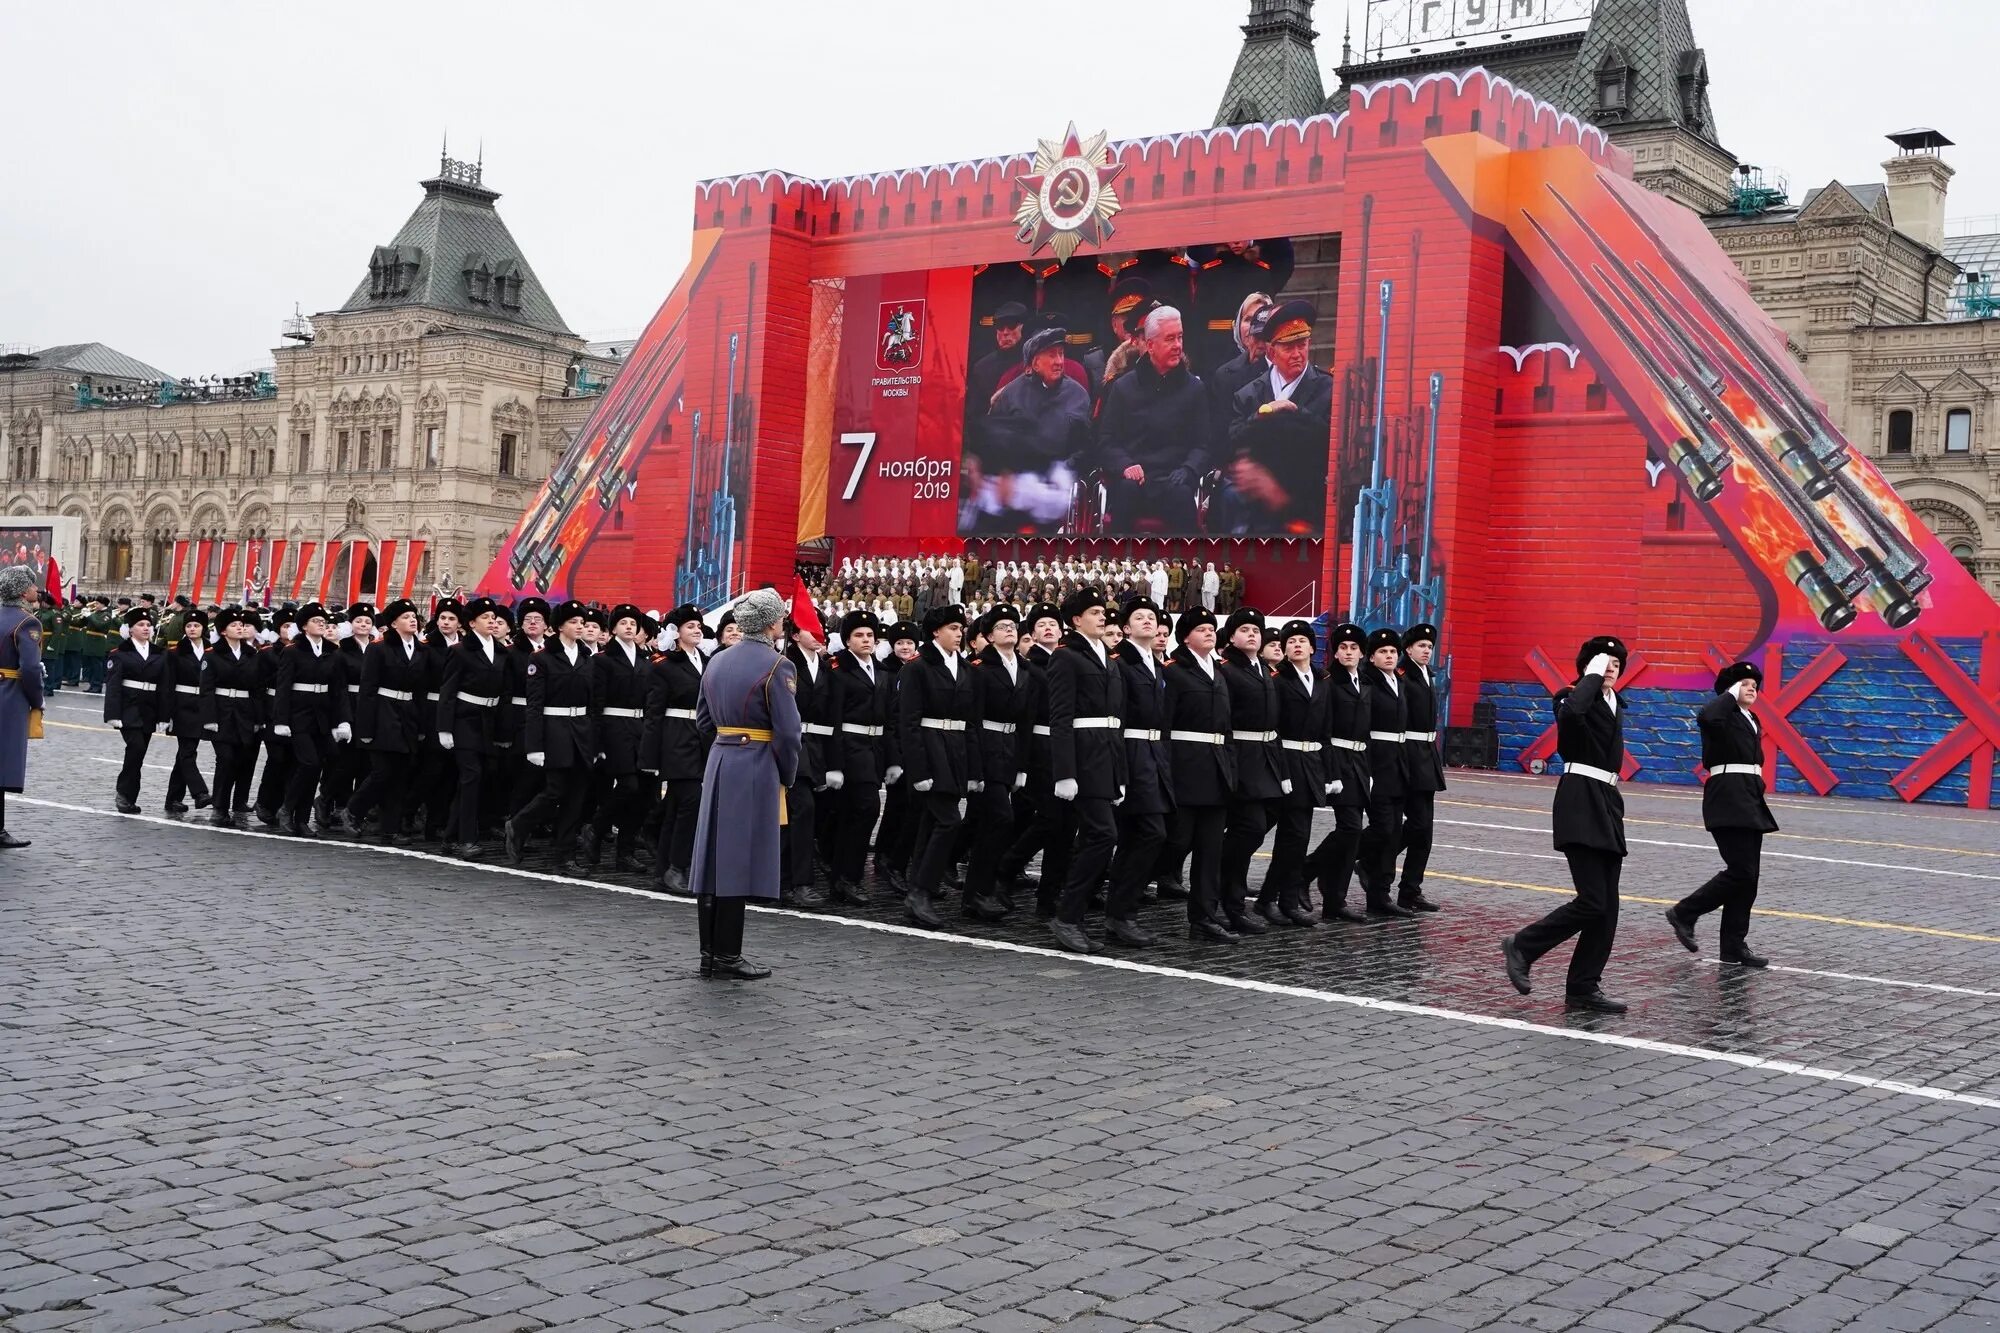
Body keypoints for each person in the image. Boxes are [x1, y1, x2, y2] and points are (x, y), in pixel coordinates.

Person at [1502, 636, 1631, 1014]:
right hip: (1579, 799)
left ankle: (1583, 987)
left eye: (1616, 664)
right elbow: (1573, 714)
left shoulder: (1613, 703)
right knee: (1592, 899)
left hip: (1607, 802)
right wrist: (1589, 678)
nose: (1610, 668)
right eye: (1603, 662)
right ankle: (1524, 945)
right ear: (1587, 667)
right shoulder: (1570, 696)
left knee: (1608, 907)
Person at [687, 587, 801, 981]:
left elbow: (703, 722)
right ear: (771, 623)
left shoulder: (716, 660)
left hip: (720, 759)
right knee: (736, 860)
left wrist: (724, 747)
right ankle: (728, 955)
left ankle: (709, 953)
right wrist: (787, 774)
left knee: (713, 859)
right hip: (755, 763)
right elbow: (788, 733)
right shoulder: (778, 665)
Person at [1666, 661, 1776, 968]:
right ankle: (1685, 911)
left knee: (1749, 877)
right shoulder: (1720, 713)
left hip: (1749, 794)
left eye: (1755, 683)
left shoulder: (1750, 718)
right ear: (1729, 689)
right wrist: (1730, 694)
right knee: (1741, 870)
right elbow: (1707, 716)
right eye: (1744, 682)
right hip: (1728, 794)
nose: (1752, 686)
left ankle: (1733, 945)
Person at [1045, 586, 1128, 953]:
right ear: (1076, 619)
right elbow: (1060, 717)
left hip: (1105, 759)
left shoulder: (1107, 658)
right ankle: (1067, 916)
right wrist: (1064, 771)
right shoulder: (1067, 658)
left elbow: (1116, 722)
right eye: (1095, 612)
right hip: (1082, 757)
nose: (1103, 617)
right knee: (1102, 836)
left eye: (1103, 612)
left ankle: (1069, 911)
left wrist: (1119, 774)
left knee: (1095, 838)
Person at [896, 603, 980, 928]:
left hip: (955, 753)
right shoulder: (917, 668)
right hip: (930, 753)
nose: (959, 634)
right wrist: (918, 770)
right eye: (953, 628)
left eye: (961, 629)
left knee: (931, 824)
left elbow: (969, 723)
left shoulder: (966, 669)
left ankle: (918, 893)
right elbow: (909, 722)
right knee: (949, 822)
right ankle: (920, 890)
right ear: (936, 632)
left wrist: (974, 771)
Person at [1096, 307, 1209, 532]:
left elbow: (1203, 445)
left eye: (1180, 337)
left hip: (1175, 479)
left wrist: (1188, 470)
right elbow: (1106, 441)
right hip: (1133, 480)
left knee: (1182, 496)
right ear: (1150, 345)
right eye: (1170, 339)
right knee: (1125, 494)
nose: (1178, 345)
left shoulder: (1195, 388)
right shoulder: (1123, 387)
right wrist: (1125, 465)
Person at [1162, 607, 1238, 940]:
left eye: (1212, 628)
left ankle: (1203, 916)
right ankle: (1126, 896)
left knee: (1210, 848)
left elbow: (1226, 727)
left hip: (1216, 770)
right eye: (1201, 629)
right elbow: (1164, 726)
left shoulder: (1219, 674)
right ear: (1185, 636)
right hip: (1185, 768)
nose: (1209, 632)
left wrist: (1231, 768)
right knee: (1173, 841)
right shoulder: (1174, 671)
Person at [507, 601, 597, 869]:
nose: (579, 626)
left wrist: (595, 741)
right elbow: (534, 705)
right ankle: (519, 823)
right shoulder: (541, 659)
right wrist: (534, 745)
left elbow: (593, 704)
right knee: (556, 790)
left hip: (581, 731)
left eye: (581, 622)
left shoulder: (586, 658)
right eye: (573, 622)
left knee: (577, 794)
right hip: (554, 729)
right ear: (559, 627)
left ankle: (565, 854)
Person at [1259, 619, 1331, 928]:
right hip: (1287, 761)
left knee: (1297, 838)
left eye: (1302, 640)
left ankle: (1282, 899)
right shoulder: (1278, 681)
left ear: (1313, 648)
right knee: (1287, 836)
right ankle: (1268, 899)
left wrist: (1330, 772)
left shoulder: (1321, 680)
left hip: (1311, 763)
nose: (1296, 645)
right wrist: (1282, 770)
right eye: (1290, 642)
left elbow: (1327, 728)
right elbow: (1273, 728)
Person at [1217, 609, 1281, 935]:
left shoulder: (1263, 669)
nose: (1253, 635)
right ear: (1231, 637)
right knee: (1250, 828)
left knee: (1253, 829)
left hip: (1263, 761)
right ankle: (1227, 900)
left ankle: (1229, 898)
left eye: (1257, 630)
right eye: (1245, 629)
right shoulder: (1226, 671)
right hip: (1239, 759)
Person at [437, 597, 511, 859]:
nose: (491, 622)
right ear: (471, 623)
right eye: (485, 618)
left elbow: (505, 694)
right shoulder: (460, 651)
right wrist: (444, 728)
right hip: (465, 719)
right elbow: (448, 691)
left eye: (493, 617)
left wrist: (503, 731)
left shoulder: (502, 652)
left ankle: (450, 837)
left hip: (488, 721)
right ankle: (466, 839)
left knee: (474, 780)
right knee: (471, 776)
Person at [823, 609, 888, 904]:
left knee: (851, 814)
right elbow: (833, 718)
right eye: (859, 635)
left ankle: (842, 877)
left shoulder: (881, 669)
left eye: (870, 635)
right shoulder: (838, 669)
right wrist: (834, 764)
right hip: (850, 746)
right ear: (847, 640)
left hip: (874, 748)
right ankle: (848, 877)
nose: (865, 640)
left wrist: (892, 759)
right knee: (866, 809)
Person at [645, 605, 711, 892]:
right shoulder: (665, 665)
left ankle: (665, 868)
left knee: (675, 807)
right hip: (676, 740)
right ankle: (678, 865)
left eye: (698, 626)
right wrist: (650, 755)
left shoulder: (708, 661)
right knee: (690, 803)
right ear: (676, 633)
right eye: (689, 627)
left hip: (703, 739)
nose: (696, 631)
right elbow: (654, 712)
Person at [1357, 628, 1417, 918]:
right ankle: (1333, 861)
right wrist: (1367, 768)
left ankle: (1380, 894)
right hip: (1376, 763)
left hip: (1398, 763)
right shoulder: (1368, 682)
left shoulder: (1399, 682)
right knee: (1382, 827)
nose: (1389, 655)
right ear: (1371, 656)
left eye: (1393, 651)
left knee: (1394, 832)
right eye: (1383, 651)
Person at [273, 603, 344, 838]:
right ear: (304, 626)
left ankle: (301, 819)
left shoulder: (332, 652)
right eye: (316, 621)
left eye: (324, 621)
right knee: (309, 764)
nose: (321, 624)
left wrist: (341, 721)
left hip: (322, 717)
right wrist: (281, 720)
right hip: (299, 717)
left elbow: (337, 690)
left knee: (328, 762)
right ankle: (287, 808)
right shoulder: (292, 651)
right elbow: (283, 687)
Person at [1396, 623, 1446, 912]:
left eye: (1429, 646)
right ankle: (1370, 860)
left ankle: (1411, 889)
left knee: (1424, 829)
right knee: (1414, 825)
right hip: (1409, 753)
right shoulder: (1402, 675)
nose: (1426, 650)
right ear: (1408, 649)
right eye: (1421, 646)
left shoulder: (1429, 675)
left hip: (1426, 754)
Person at [201, 607, 265, 829]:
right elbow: (206, 689)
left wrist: (258, 718)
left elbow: (257, 688)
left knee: (240, 761)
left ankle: (232, 803)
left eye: (242, 625)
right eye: (234, 625)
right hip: (222, 712)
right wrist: (209, 718)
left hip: (245, 713)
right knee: (225, 759)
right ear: (223, 631)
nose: (240, 627)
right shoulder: (212, 654)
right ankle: (219, 808)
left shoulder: (251, 654)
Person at [0, 566, 44, 847]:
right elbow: (29, 668)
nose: (35, 589)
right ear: (21, 591)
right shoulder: (27, 622)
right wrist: (36, 700)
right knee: (3, 765)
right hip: (9, 696)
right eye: (31, 584)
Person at [162, 609, 215, 818]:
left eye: (196, 626)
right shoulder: (175, 652)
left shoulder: (212, 650)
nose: (192, 629)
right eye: (189, 626)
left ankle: (173, 798)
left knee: (184, 753)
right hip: (182, 705)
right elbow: (167, 685)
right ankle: (200, 792)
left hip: (204, 705)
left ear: (204, 628)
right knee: (187, 750)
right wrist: (166, 714)